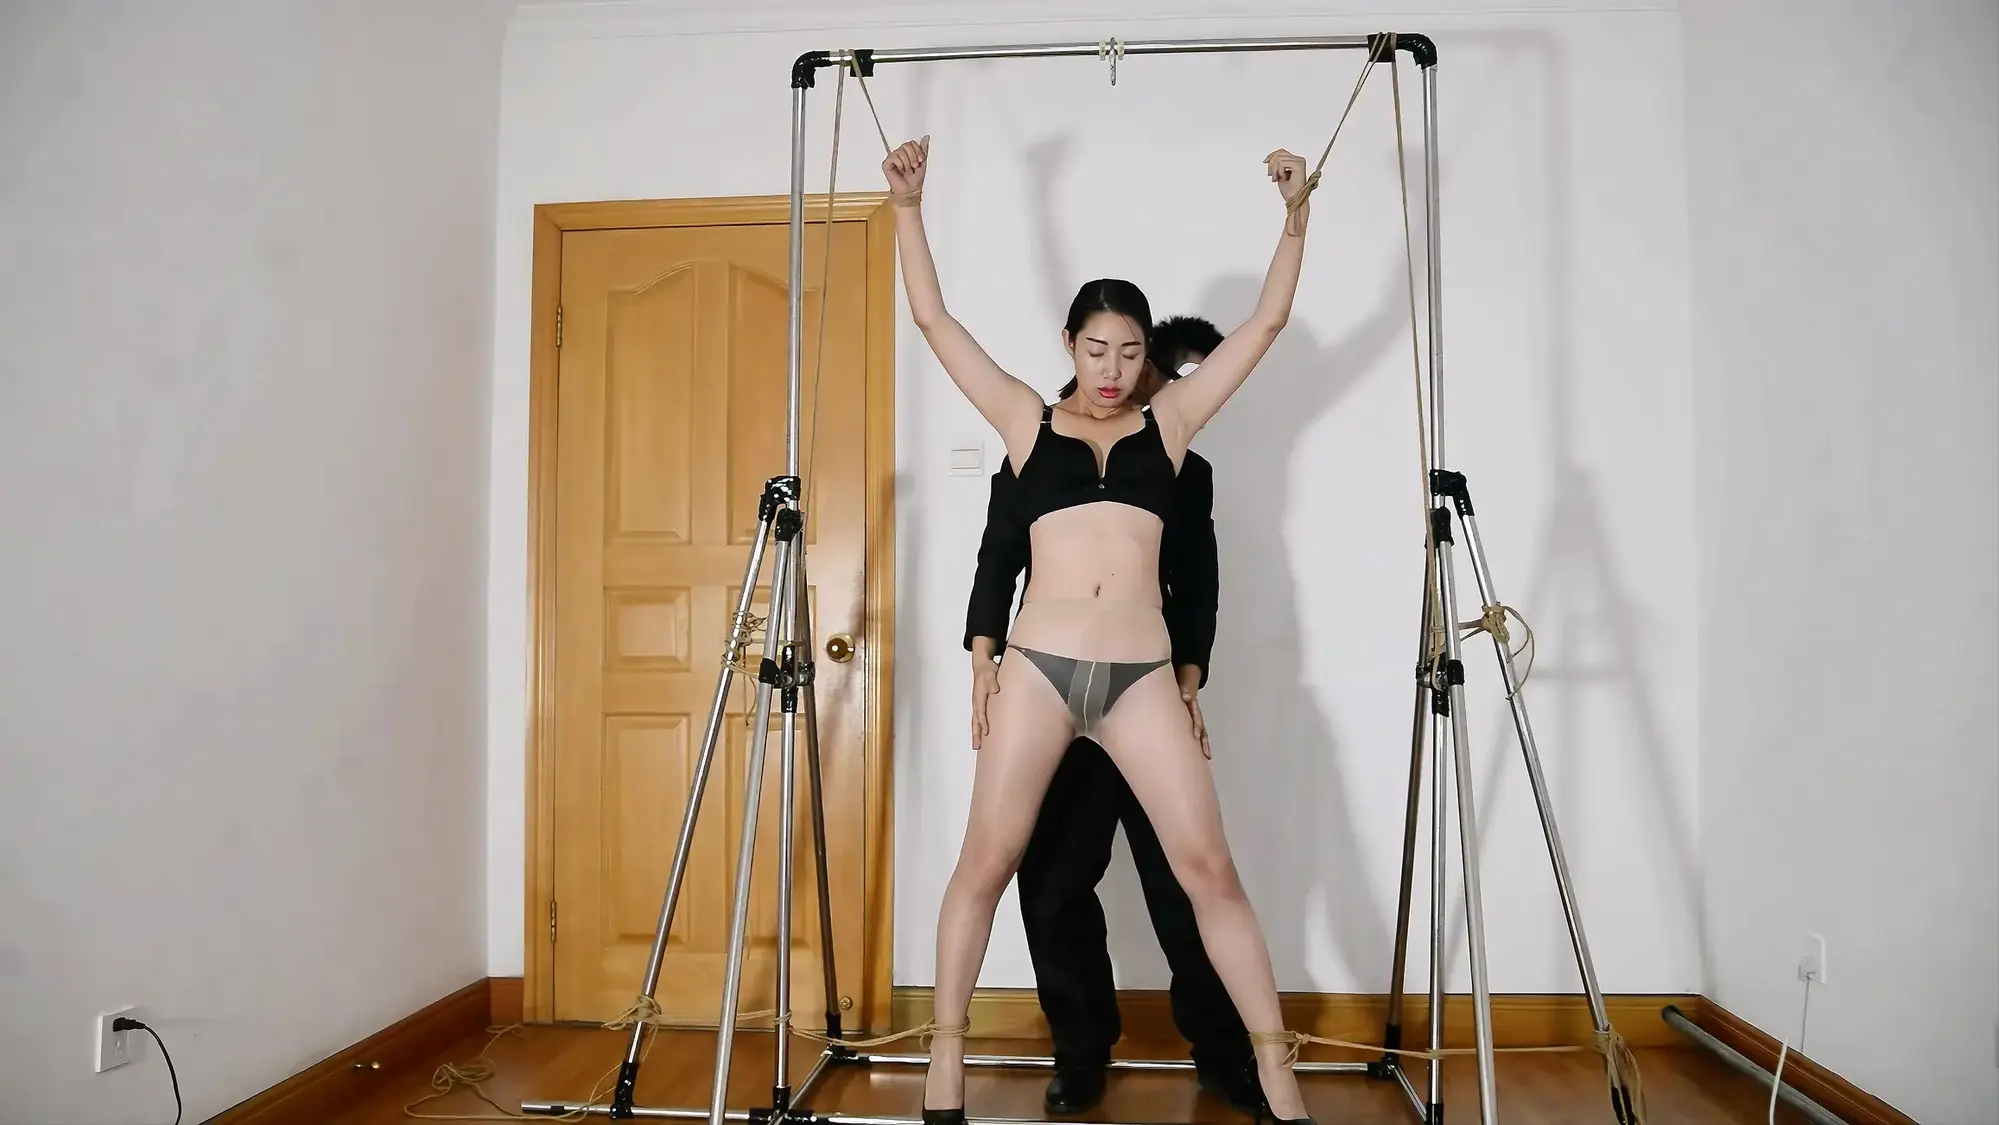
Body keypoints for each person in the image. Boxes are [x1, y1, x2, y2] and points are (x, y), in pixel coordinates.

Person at [883, 132, 1317, 1125]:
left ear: (1144, 353)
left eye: (1128, 351)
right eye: (1095, 349)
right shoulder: (1025, 423)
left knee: (1208, 870)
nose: (1113, 368)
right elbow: (934, 319)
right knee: (988, 862)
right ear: (1069, 345)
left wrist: (1295, 216)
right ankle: (944, 1067)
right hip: (1038, 669)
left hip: (1140, 677)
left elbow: (1267, 321)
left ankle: (1275, 1074)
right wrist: (908, 209)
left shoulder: (1173, 427)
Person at [963, 316, 1265, 1116]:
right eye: (1145, 371)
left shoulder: (1182, 463)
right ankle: (1080, 1051)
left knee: (1187, 882)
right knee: (1051, 881)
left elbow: (1197, 578)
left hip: (1147, 690)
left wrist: (1190, 673)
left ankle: (1225, 1054)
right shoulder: (1035, 442)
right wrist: (983, 652)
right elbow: (998, 554)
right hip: (1048, 689)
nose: (1144, 390)